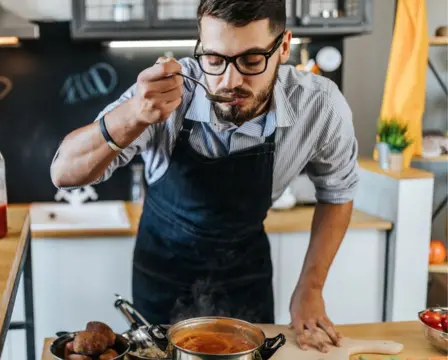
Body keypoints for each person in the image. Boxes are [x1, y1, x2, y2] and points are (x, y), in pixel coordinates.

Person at [50, 0, 358, 353]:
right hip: (162, 274)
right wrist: (134, 114)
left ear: (284, 47)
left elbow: (338, 191)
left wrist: (311, 287)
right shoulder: (167, 92)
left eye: (251, 60)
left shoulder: (319, 105)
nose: (230, 81)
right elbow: (63, 172)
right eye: (213, 59)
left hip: (246, 276)